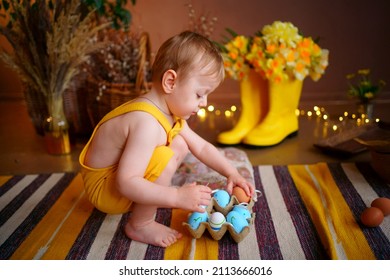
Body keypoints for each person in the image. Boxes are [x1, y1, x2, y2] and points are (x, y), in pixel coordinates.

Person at [79, 31, 255, 248]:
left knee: (181, 142)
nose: (204, 103)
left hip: (118, 180)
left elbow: (200, 146)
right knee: (164, 154)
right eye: (200, 94)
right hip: (107, 190)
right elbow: (126, 182)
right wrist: (176, 196)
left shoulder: (169, 112)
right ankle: (140, 224)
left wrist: (232, 173)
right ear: (170, 81)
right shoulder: (146, 123)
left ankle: (151, 197)